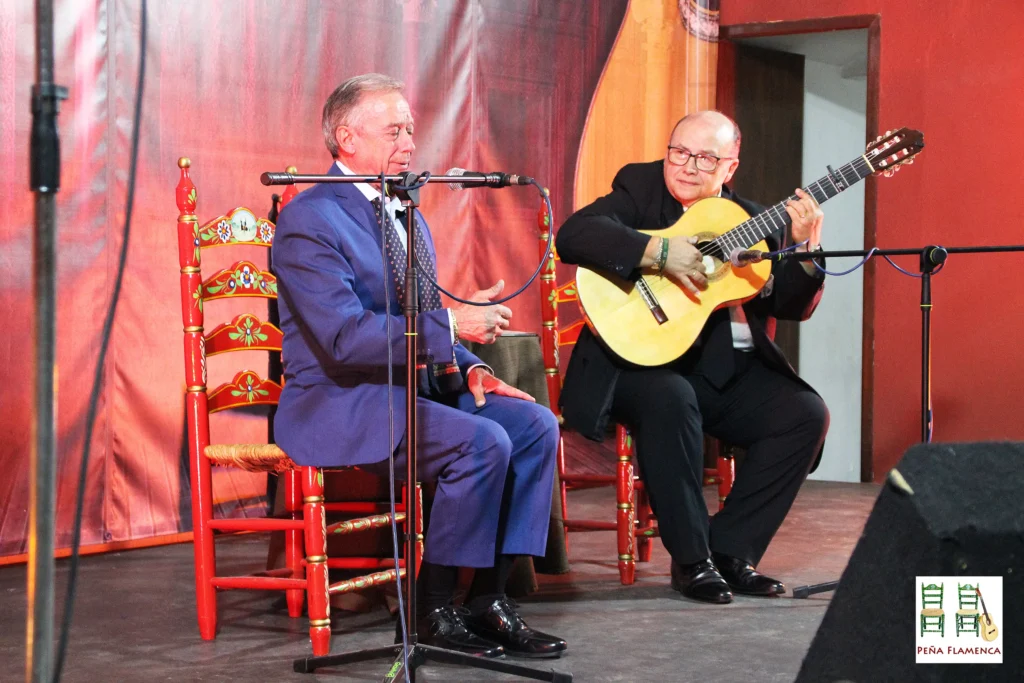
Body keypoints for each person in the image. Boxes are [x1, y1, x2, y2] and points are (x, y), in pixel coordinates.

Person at [272, 73, 567, 658]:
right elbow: (344, 338)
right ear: (346, 137)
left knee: (533, 428)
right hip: (339, 399)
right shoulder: (310, 218)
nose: (409, 141)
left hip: (414, 389)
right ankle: (433, 607)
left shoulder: (404, 210)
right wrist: (457, 325)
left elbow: (422, 313)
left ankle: (488, 600)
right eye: (394, 130)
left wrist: (470, 367)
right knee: (480, 443)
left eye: (411, 128)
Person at [555, 110, 830, 604]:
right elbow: (574, 235)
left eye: (705, 158)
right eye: (678, 152)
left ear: (731, 168)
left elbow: (789, 305)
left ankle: (731, 552)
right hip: (633, 363)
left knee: (804, 414)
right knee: (671, 398)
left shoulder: (750, 221)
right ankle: (692, 561)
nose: (686, 166)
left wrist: (808, 250)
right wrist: (658, 255)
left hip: (716, 369)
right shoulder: (640, 187)